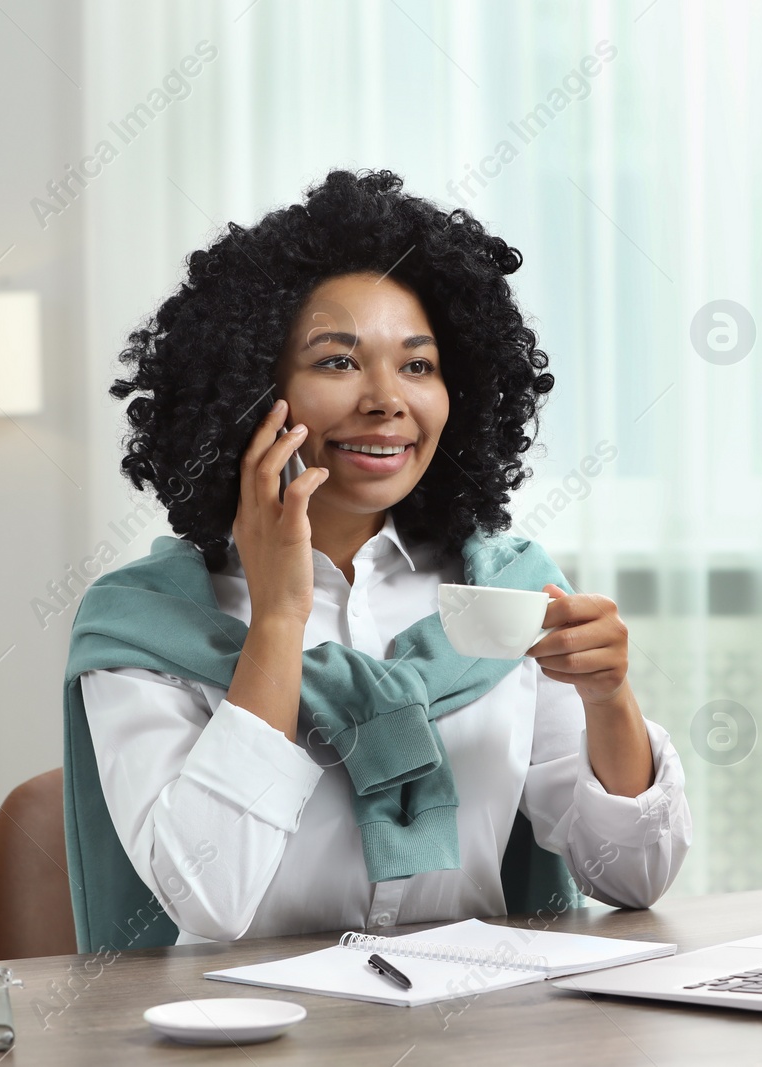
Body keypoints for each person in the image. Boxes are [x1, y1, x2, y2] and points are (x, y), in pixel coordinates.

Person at [69, 169, 691, 946]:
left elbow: (633, 880)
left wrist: (608, 698)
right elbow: (207, 899)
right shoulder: (144, 624)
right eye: (337, 362)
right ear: (252, 390)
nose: (386, 398)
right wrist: (278, 620)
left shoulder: (507, 589)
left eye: (419, 365)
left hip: (476, 1029)